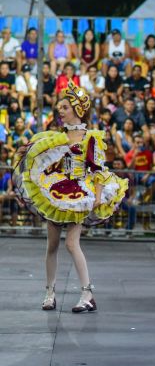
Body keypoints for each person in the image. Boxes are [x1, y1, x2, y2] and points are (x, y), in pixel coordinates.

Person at [13, 82, 127, 312]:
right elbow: (43, 163)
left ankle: (87, 293)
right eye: (59, 107)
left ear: (77, 109)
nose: (60, 110)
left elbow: (97, 170)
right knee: (52, 244)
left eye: (64, 107)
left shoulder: (90, 137)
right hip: (56, 192)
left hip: (77, 194)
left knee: (71, 243)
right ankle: (49, 293)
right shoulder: (56, 137)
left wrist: (96, 197)